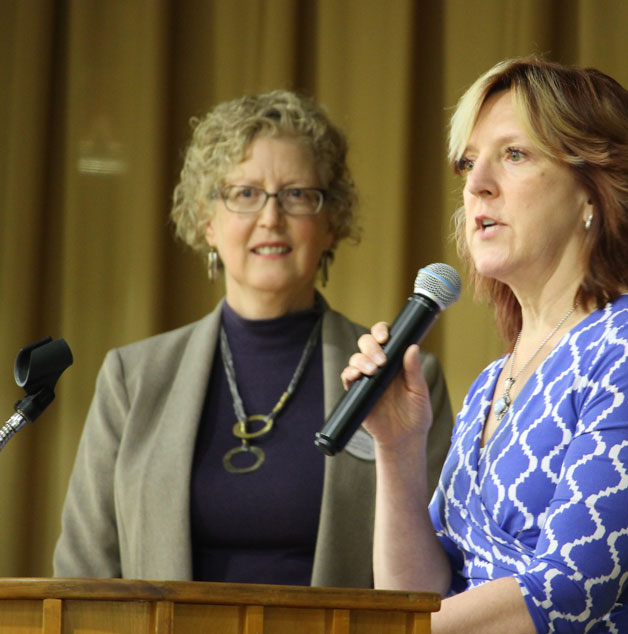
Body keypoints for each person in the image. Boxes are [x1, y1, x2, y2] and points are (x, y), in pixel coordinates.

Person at [342, 57, 628, 632]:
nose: (476, 184)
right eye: (469, 163)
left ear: (594, 190)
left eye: (514, 155)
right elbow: (418, 597)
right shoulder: (491, 382)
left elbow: (562, 593)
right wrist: (397, 450)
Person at [53, 90, 453, 588]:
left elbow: (435, 576)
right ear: (207, 221)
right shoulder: (132, 379)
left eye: (297, 194)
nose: (270, 217)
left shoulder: (400, 377)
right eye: (244, 194)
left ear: (331, 223)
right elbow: (83, 575)